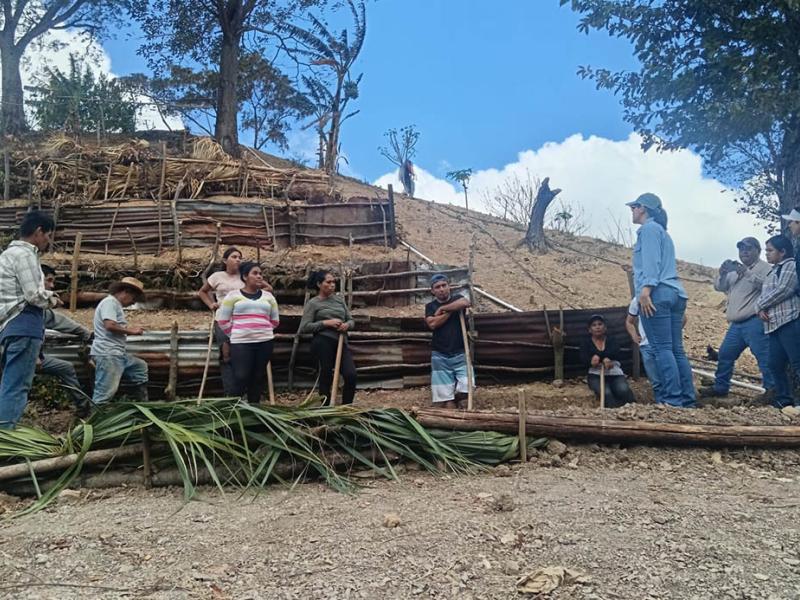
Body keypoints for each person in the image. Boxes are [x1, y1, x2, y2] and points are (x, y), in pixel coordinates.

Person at [627, 192, 696, 407]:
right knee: (676, 349)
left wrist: (645, 290)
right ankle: (687, 399)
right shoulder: (663, 232)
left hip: (657, 293)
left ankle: (672, 401)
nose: (632, 211)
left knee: (661, 349)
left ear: (643, 209)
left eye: (634, 207)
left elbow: (651, 262)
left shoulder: (648, 230)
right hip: (675, 293)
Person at [0, 211, 59, 428]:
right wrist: (52, 298)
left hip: (9, 327)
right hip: (24, 325)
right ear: (38, 231)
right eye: (48, 235)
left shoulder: (6, 255)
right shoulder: (25, 255)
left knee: (9, 383)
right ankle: (6, 437)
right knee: (17, 387)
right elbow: (33, 295)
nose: (48, 241)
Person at [697, 238, 774, 400]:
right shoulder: (734, 271)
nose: (744, 252)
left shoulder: (766, 268)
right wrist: (723, 273)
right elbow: (719, 287)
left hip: (755, 321)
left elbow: (768, 286)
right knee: (725, 354)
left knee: (764, 357)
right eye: (741, 249)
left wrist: (746, 273)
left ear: (758, 251)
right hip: (736, 324)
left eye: (748, 248)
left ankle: (772, 392)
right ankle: (720, 388)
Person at [216, 262, 280, 404]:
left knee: (257, 377)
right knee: (241, 376)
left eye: (260, 274)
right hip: (241, 343)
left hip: (264, 342)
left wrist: (262, 331)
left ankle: (254, 408)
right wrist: (236, 334)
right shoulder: (233, 296)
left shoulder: (268, 297)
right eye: (255, 273)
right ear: (245, 277)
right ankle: (233, 407)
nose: (259, 277)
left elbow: (275, 320)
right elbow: (223, 320)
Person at [39, 265, 93, 415]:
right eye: (49, 280)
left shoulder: (40, 309)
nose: (52, 286)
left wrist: (86, 333)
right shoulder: (20, 304)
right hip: (13, 353)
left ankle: (84, 408)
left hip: (32, 356)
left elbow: (57, 321)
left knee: (65, 367)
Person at [298, 271, 357, 405]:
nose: (332, 285)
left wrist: (347, 325)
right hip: (322, 341)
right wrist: (325, 323)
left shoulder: (339, 301)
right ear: (319, 284)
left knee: (350, 374)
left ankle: (346, 407)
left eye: (333, 282)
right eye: (328, 282)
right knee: (326, 374)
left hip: (341, 341)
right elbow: (304, 327)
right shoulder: (313, 303)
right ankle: (325, 406)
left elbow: (351, 320)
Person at [754, 235, 800, 408]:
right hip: (774, 325)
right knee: (775, 364)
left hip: (790, 321)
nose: (766, 253)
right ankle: (784, 399)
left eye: (770, 250)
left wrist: (759, 306)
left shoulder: (790, 265)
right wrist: (761, 308)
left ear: (783, 251)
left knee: (797, 362)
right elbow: (767, 295)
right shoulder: (773, 271)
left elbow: (784, 289)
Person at [90, 277, 149, 405]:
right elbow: (109, 325)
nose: (133, 303)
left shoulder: (115, 305)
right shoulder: (110, 303)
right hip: (108, 353)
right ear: (126, 292)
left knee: (139, 367)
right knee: (105, 392)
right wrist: (131, 331)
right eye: (133, 298)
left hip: (116, 353)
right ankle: (95, 414)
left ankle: (141, 404)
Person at [197, 247, 244, 395]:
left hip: (243, 320)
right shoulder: (217, 276)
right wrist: (211, 304)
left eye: (239, 257)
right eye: (234, 257)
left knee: (243, 354)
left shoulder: (245, 276)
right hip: (223, 319)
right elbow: (202, 292)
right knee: (226, 355)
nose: (238, 260)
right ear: (225, 260)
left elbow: (262, 288)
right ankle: (230, 393)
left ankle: (243, 392)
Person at [424, 273, 473, 409]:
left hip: (460, 353)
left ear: (449, 286)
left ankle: (458, 401)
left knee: (467, 386)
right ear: (432, 291)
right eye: (437, 287)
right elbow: (432, 324)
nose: (441, 289)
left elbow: (465, 303)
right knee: (445, 398)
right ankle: (450, 409)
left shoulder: (458, 298)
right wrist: (452, 311)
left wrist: (443, 308)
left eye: (444, 285)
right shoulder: (430, 306)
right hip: (440, 355)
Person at [581, 314, 635, 408]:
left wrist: (606, 357)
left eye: (600, 324)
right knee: (606, 393)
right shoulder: (586, 343)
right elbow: (583, 358)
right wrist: (591, 361)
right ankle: (613, 413)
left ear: (605, 328)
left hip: (614, 374)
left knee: (623, 390)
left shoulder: (612, 340)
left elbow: (616, 352)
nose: (597, 327)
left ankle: (633, 409)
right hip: (596, 375)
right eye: (594, 325)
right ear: (589, 330)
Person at [626, 298, 662, 404]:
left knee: (663, 379)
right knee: (656, 381)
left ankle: (670, 404)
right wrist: (634, 336)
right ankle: (663, 405)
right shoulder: (637, 299)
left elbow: (683, 318)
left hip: (663, 346)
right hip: (647, 345)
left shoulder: (664, 295)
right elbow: (629, 321)